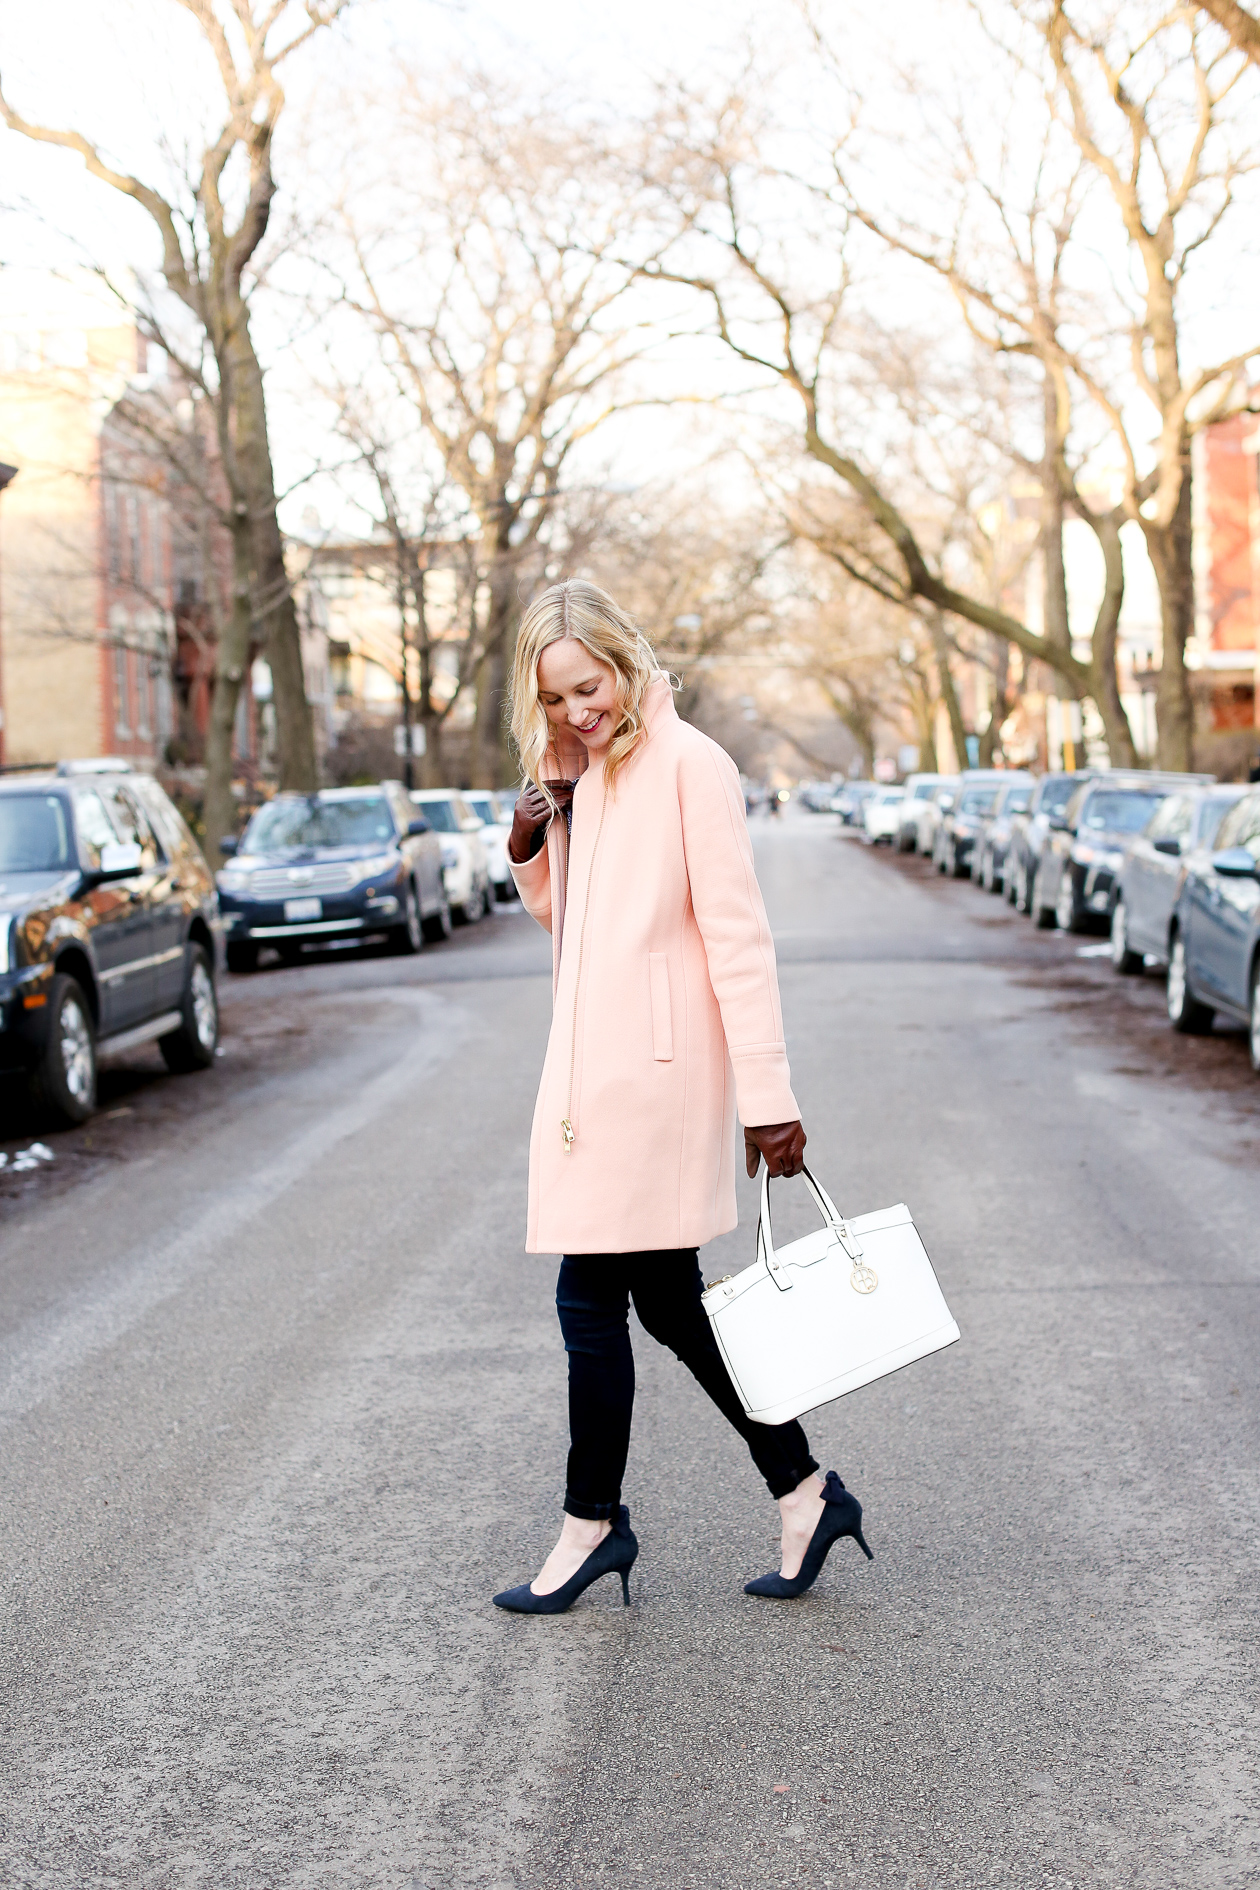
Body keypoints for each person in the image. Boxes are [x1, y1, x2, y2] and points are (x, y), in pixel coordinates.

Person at [491, 579, 871, 1616]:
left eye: (591, 684)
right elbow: (578, 933)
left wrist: (768, 1098)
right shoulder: (575, 772)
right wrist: (531, 844)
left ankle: (593, 1526)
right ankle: (805, 1492)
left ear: (624, 660)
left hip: (652, 1081)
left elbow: (737, 938)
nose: (578, 710)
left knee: (589, 1299)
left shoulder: (693, 765)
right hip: (594, 1074)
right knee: (665, 1304)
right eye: (558, 696)